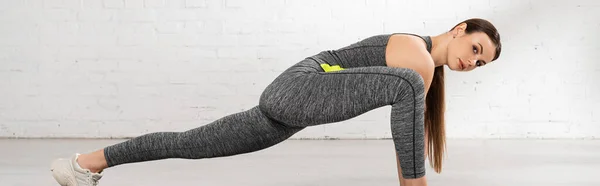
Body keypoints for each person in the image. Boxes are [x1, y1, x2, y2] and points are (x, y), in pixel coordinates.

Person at [50, 18, 501, 186]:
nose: (471, 62)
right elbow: (381, 91)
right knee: (406, 86)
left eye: (480, 65)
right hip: (300, 85)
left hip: (289, 103)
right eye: (476, 49)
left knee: (192, 142)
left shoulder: (423, 68)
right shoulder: (417, 56)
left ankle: (84, 164)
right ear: (460, 29)